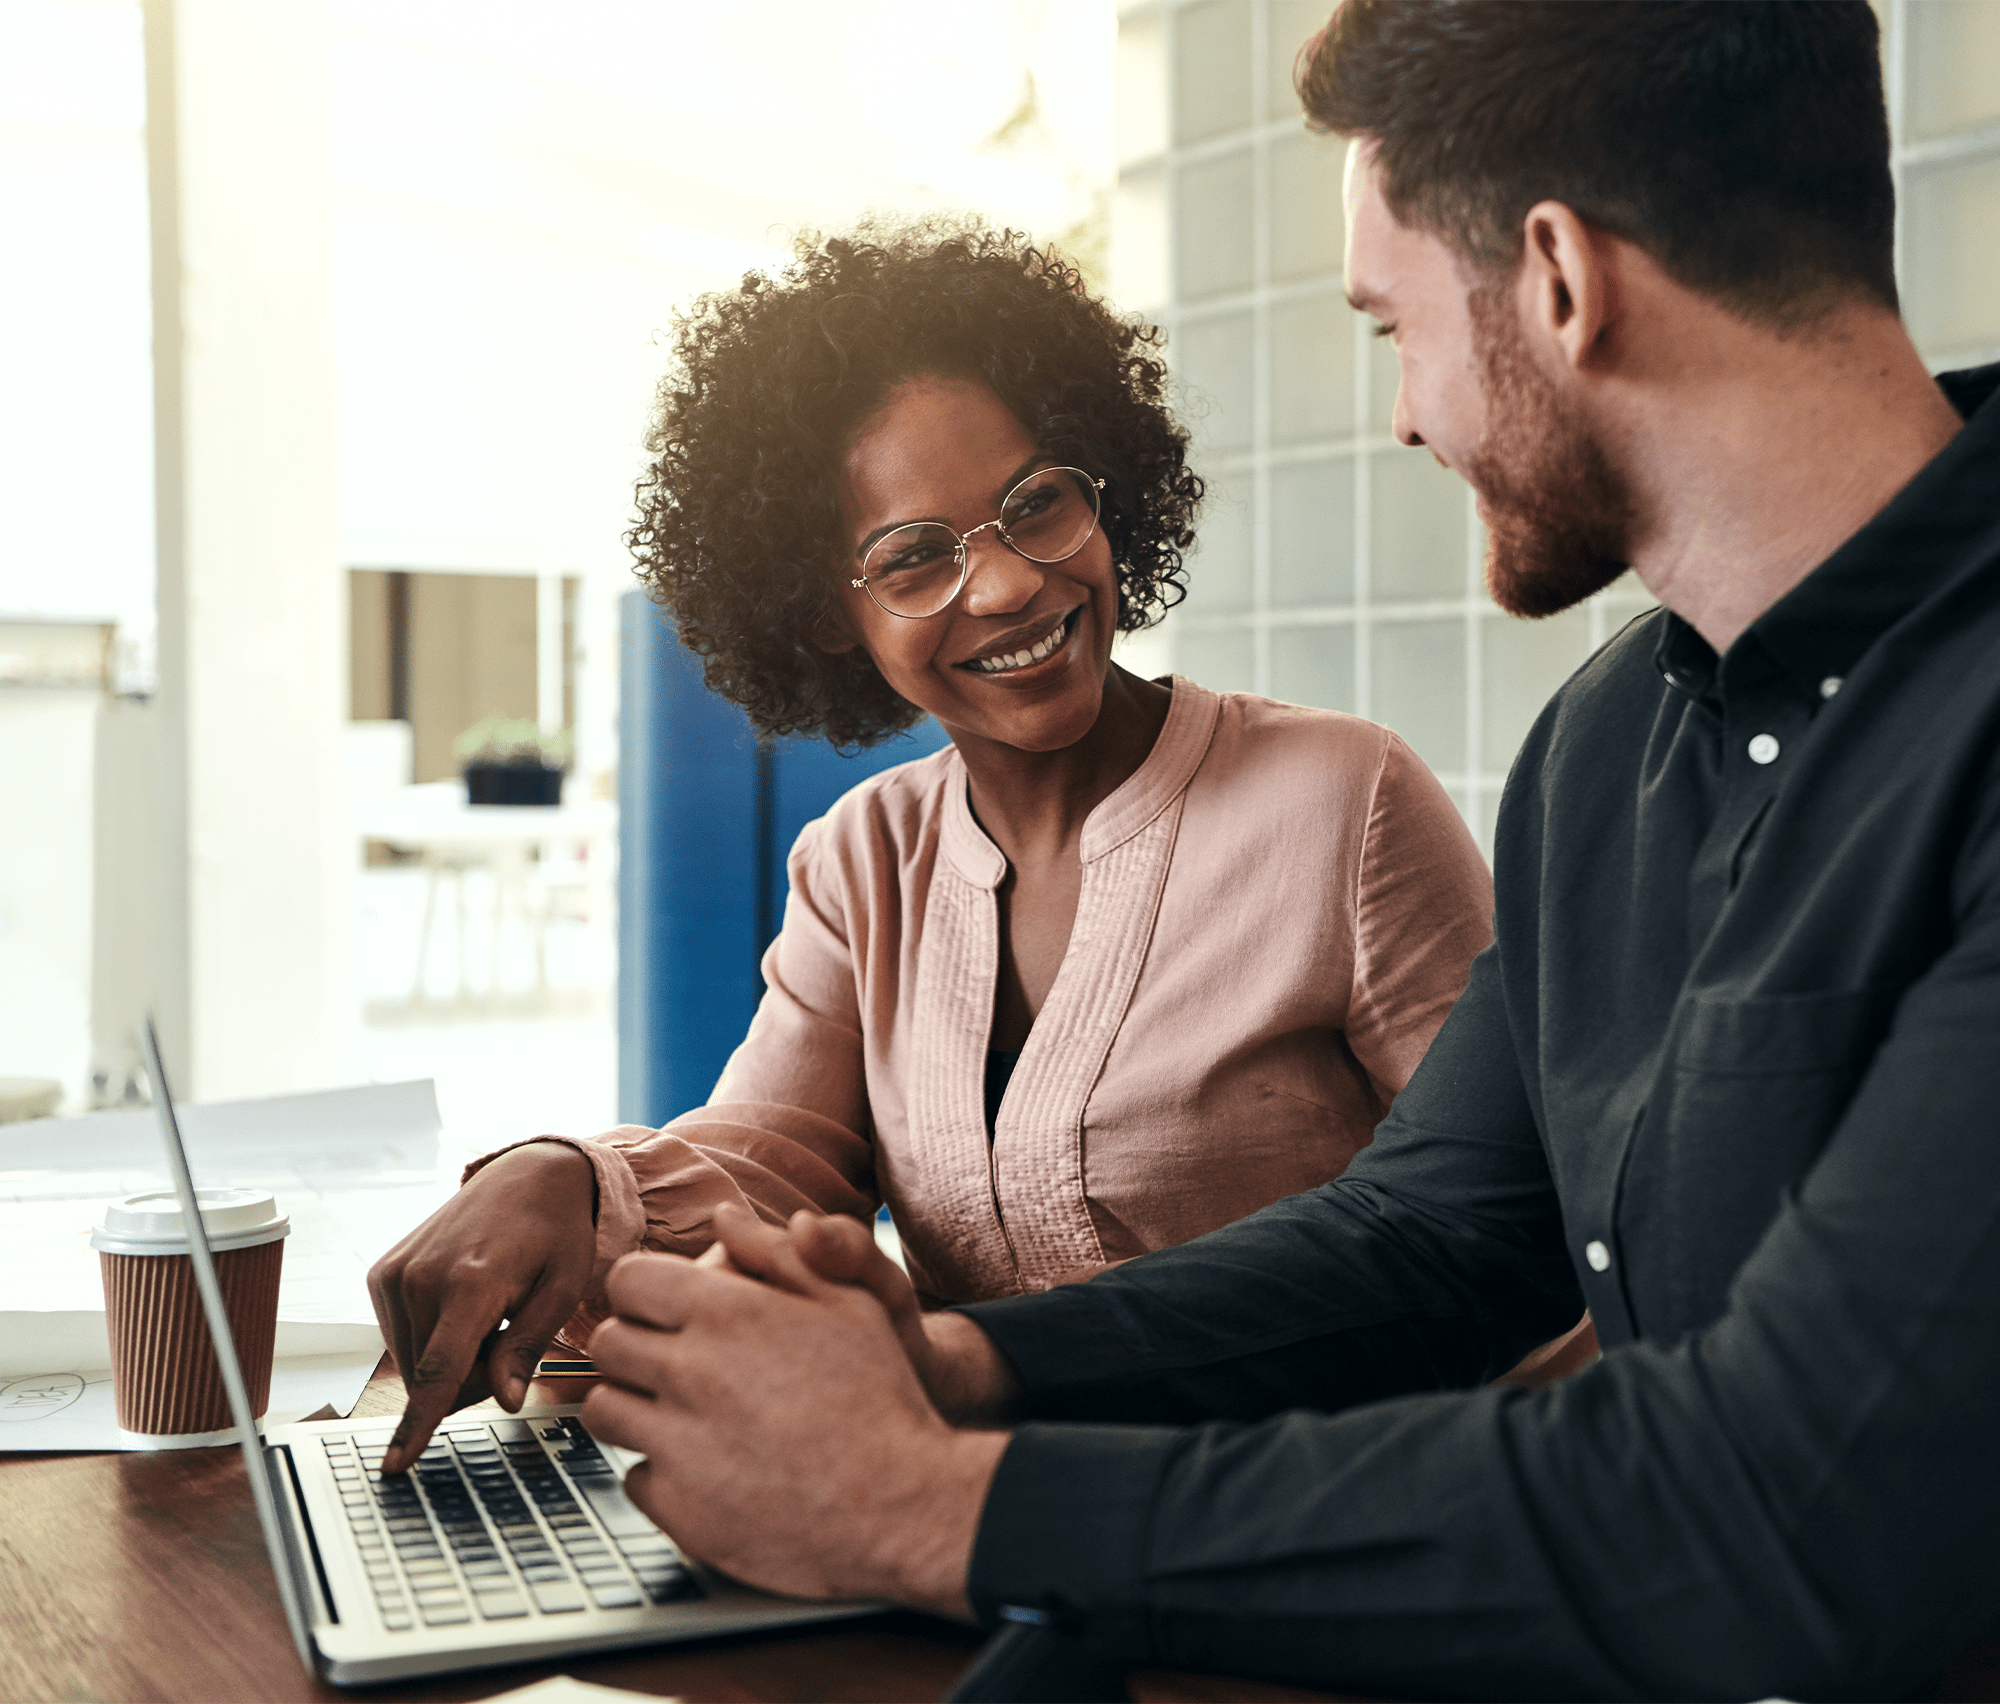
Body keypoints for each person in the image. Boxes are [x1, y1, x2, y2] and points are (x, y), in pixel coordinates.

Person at [574, 5, 2000, 1698]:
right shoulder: (1609, 746)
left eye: (1393, 327)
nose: (1409, 418)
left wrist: (932, 1498)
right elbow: (1435, 1238)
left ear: (1559, 278)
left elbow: (1780, 1503)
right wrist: (957, 1363)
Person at [369, 222, 1504, 1474]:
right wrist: (567, 1177)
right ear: (823, 614)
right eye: (911, 557)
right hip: (969, 1531)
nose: (1013, 583)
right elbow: (772, 1168)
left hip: (1317, 1523)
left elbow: (1499, 1223)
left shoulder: (1344, 802)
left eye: (1037, 503)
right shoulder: (864, 858)